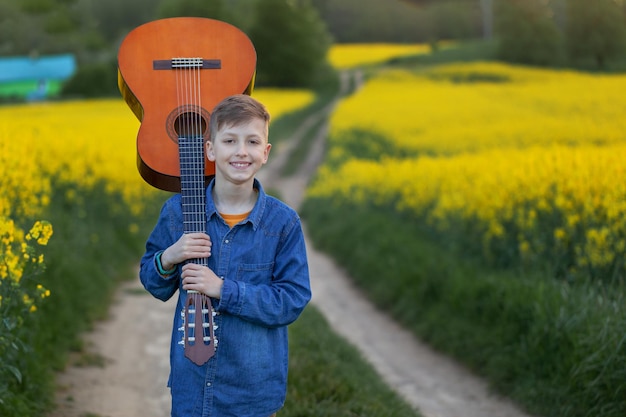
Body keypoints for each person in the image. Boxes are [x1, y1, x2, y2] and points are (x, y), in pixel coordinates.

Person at [139, 94, 312, 417]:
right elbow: (153, 282)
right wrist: (171, 256)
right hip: (191, 387)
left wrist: (223, 290)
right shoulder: (178, 212)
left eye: (252, 141)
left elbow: (293, 299)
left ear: (266, 152)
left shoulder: (282, 222)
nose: (241, 151)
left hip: (252, 393)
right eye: (230, 140)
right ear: (210, 149)